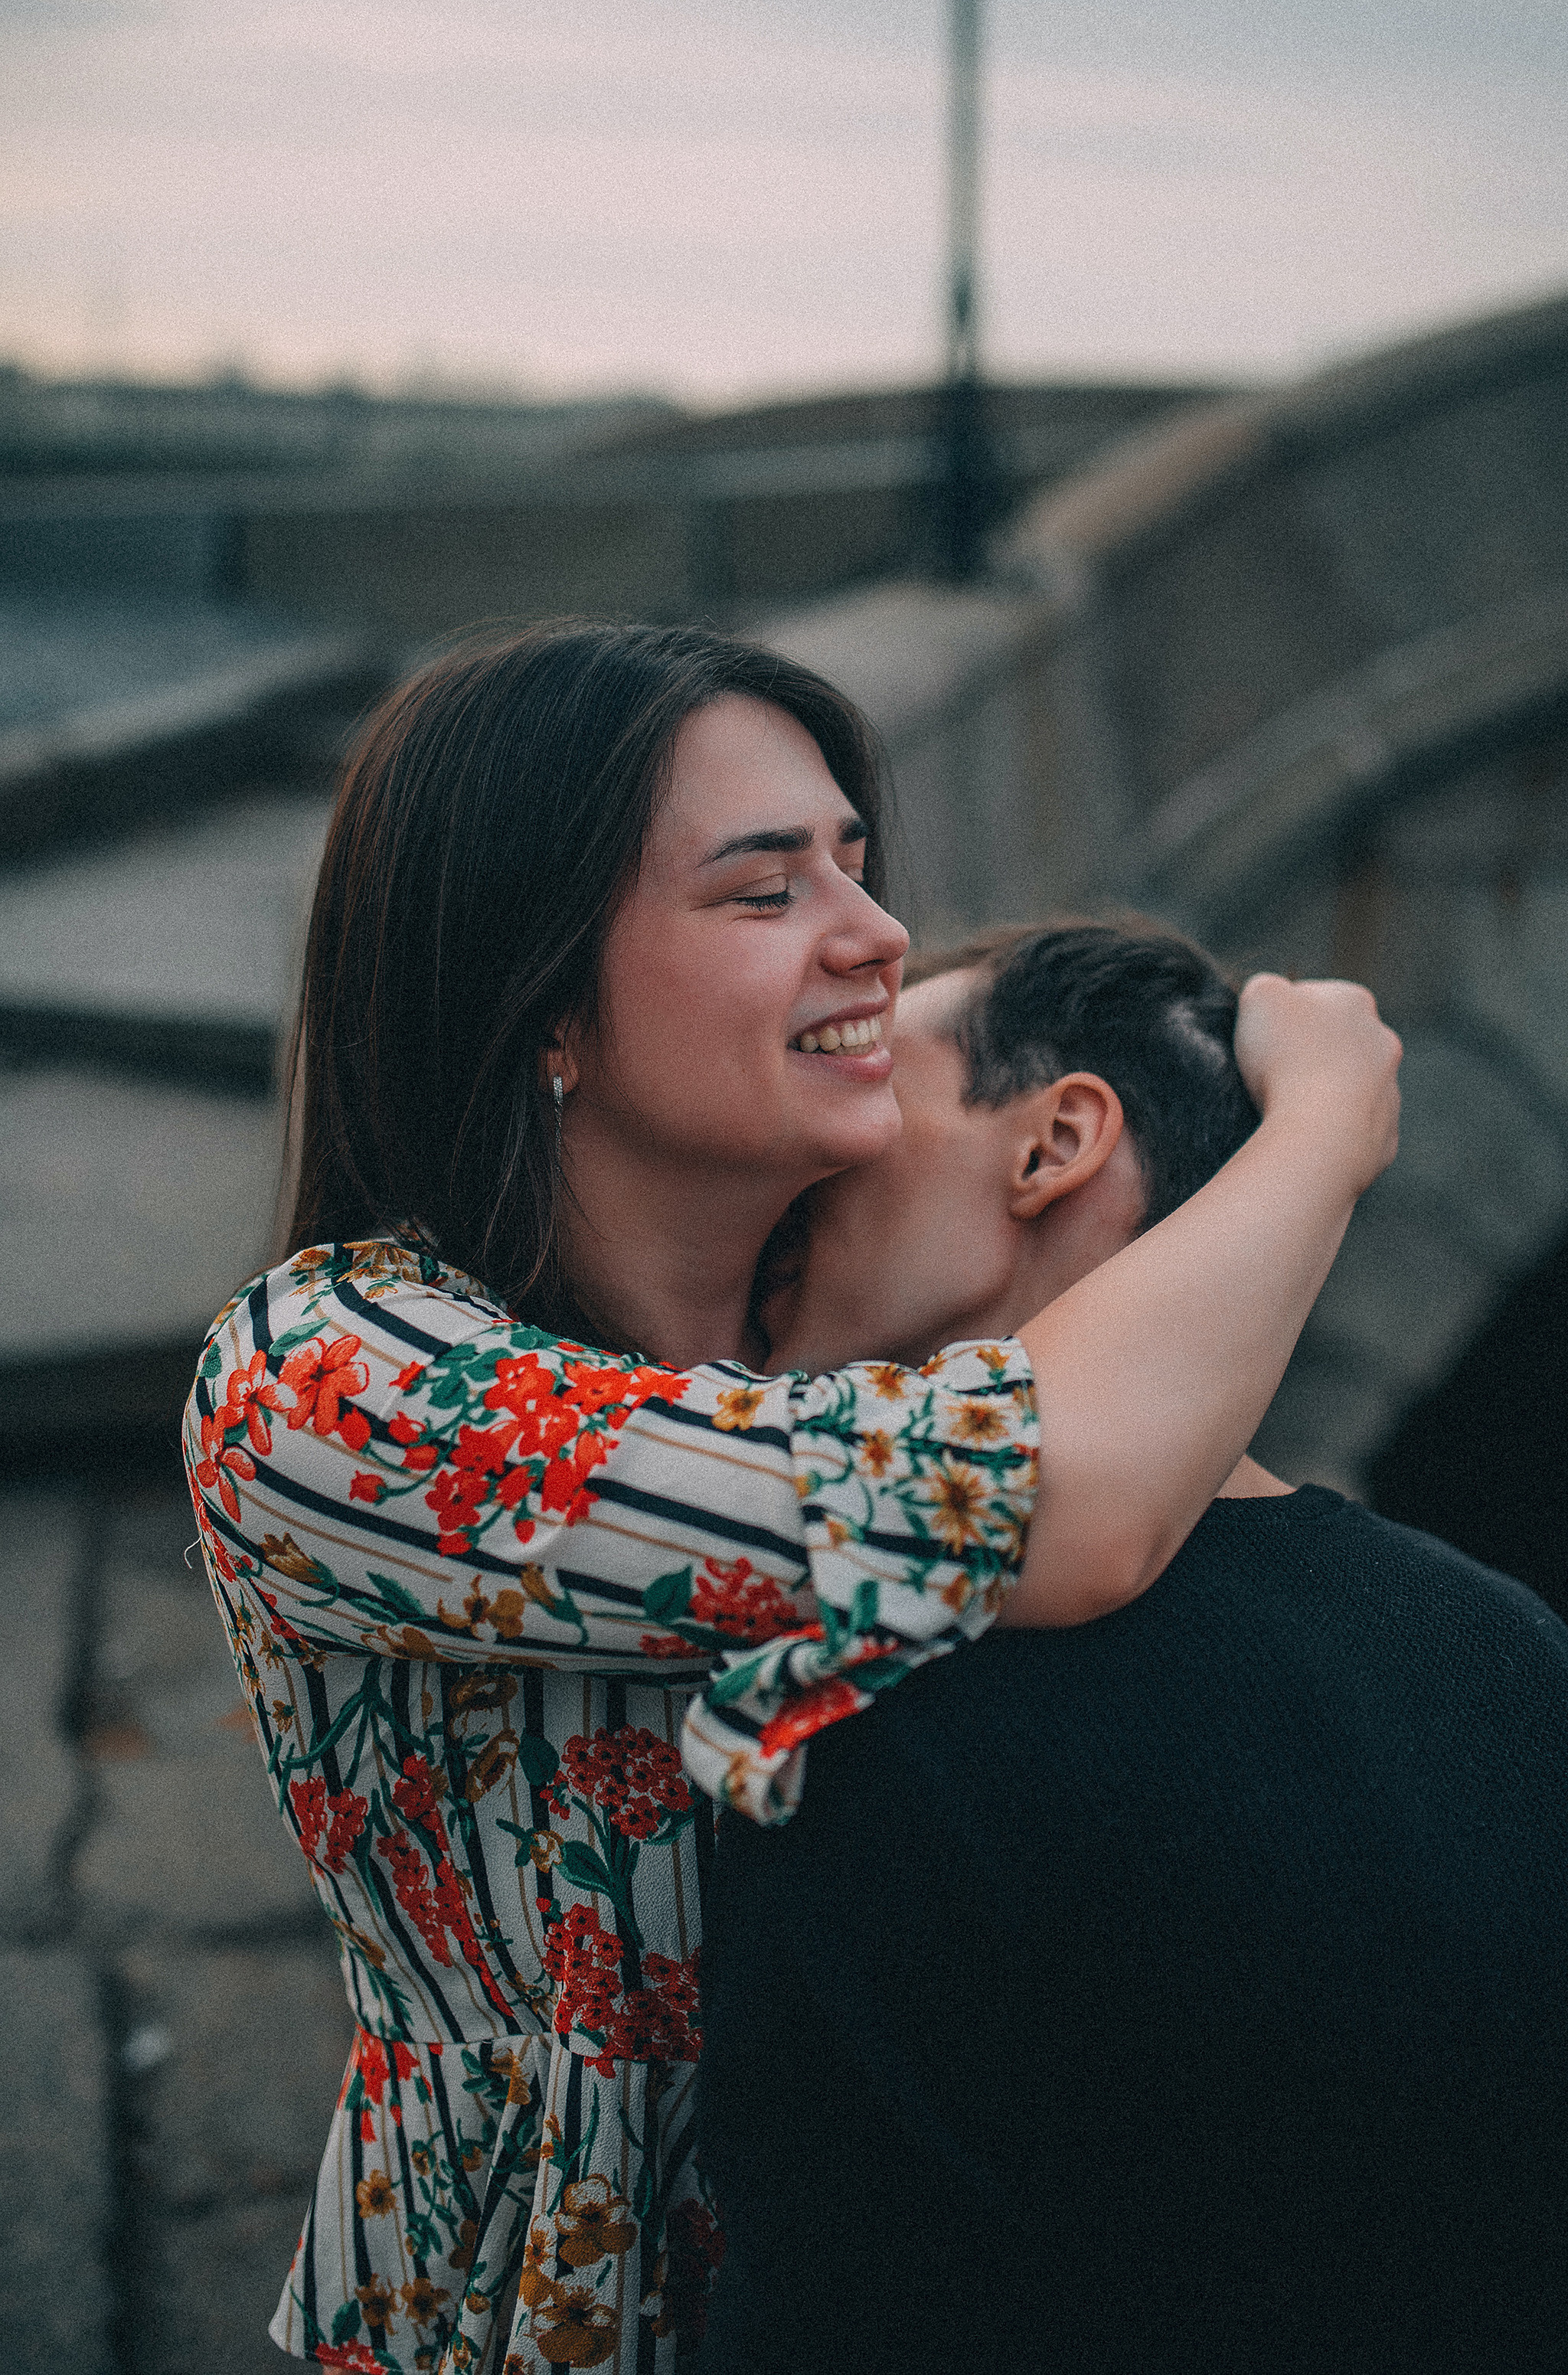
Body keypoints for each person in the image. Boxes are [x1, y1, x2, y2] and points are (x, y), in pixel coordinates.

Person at [183, 628, 1400, 2375]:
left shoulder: (820, 1374)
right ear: (541, 1007)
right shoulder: (339, 1381)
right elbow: (1065, 1502)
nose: (878, 930)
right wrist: (1324, 1124)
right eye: (765, 890)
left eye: (855, 861)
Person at [697, 921, 1568, 2374]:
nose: (792, 1154)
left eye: (869, 1087)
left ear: (1056, 1142)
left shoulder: (865, 1684)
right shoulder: (1511, 1653)